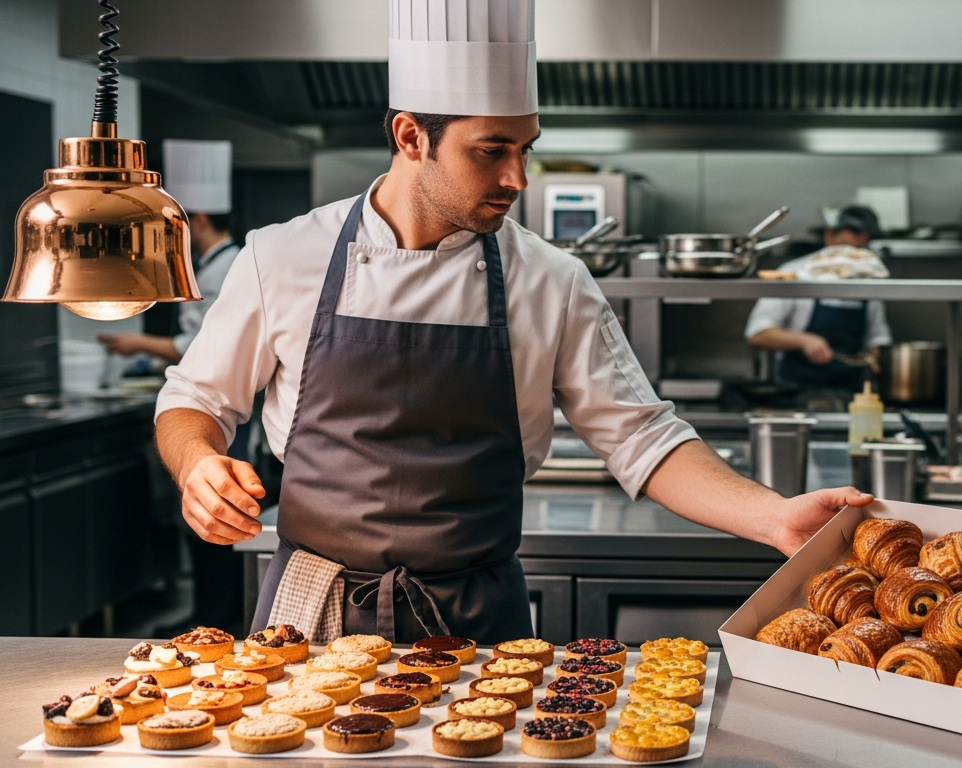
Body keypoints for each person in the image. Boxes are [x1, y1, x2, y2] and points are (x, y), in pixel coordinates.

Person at [154, 0, 870, 644]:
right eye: (490, 150)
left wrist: (774, 518)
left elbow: (641, 437)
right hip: (312, 619)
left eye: (524, 149)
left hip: (477, 626)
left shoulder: (549, 280)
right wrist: (198, 465)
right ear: (410, 137)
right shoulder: (282, 256)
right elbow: (194, 401)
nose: (517, 179)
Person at [98, 140, 240, 367]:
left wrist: (138, 343)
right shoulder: (210, 264)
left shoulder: (224, 270)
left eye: (176, 224)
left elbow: (199, 346)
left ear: (200, 220)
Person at [745, 205, 892, 392]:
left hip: (850, 391)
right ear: (829, 236)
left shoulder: (867, 278)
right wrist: (804, 340)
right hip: (796, 390)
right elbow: (758, 333)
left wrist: (874, 360)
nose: (854, 256)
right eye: (848, 247)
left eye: (861, 249)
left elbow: (876, 336)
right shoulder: (795, 273)